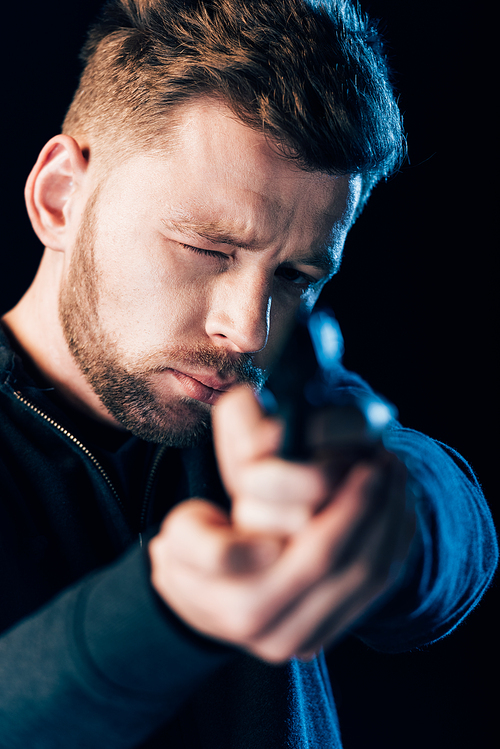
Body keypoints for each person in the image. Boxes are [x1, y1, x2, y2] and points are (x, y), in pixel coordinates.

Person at [0, 0, 496, 746]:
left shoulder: (269, 421)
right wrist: (162, 611)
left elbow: (450, 514)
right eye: (207, 248)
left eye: (296, 276)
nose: (250, 329)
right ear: (61, 196)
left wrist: (392, 516)